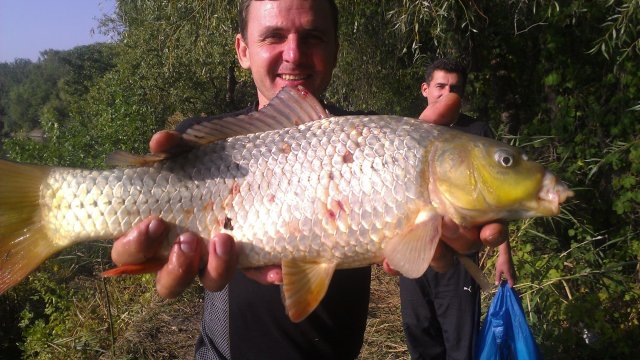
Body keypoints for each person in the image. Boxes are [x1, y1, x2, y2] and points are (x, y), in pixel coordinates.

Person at [111, 3, 508, 359]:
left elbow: (429, 228)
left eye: (313, 36)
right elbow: (140, 243)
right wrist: (142, 248)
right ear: (242, 50)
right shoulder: (202, 142)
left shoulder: (370, 137)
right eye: (273, 36)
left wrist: (449, 202)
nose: (294, 54)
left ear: (336, 48)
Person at [399, 58, 517, 360]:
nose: (447, 93)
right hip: (415, 253)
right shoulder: (408, 134)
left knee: (459, 341)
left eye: (455, 88)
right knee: (419, 330)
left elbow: (496, 203)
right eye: (440, 86)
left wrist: (503, 256)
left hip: (459, 261)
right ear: (425, 89)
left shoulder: (476, 133)